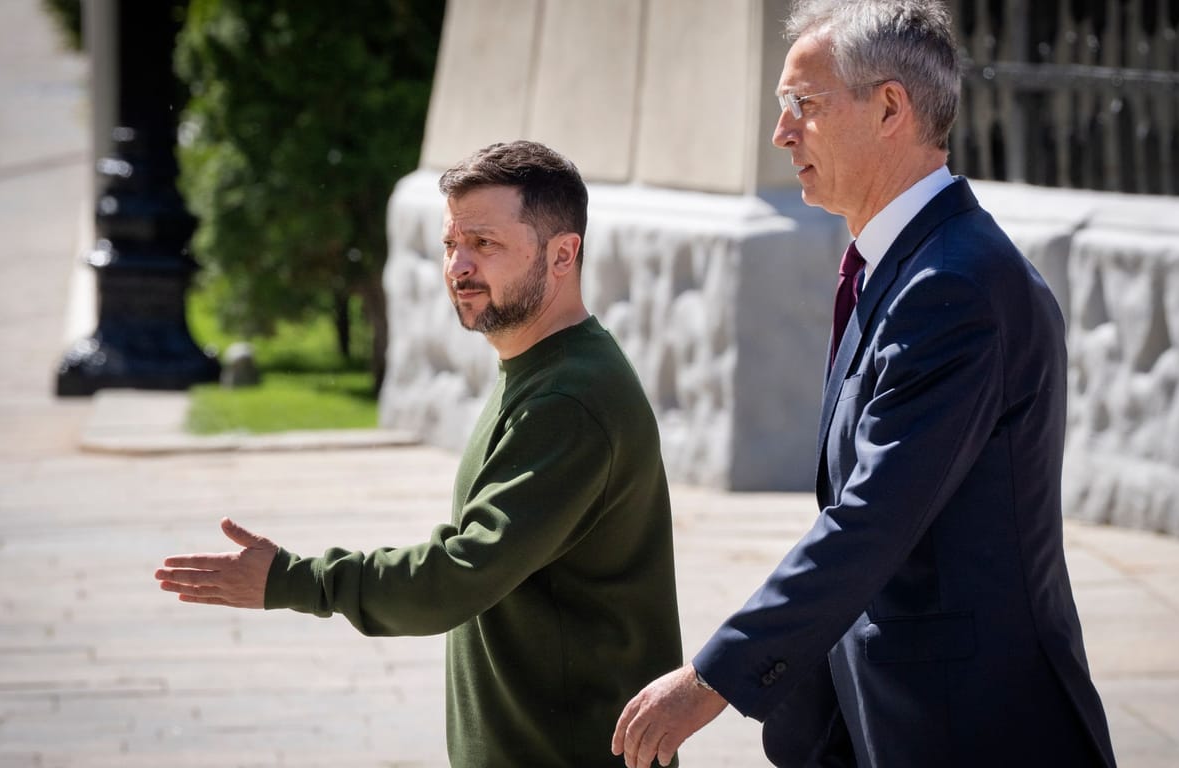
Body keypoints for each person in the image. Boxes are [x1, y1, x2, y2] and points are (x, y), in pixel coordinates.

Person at [612, 2, 1117, 767]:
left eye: (803, 107)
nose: (782, 133)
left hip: (975, 728)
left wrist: (710, 680)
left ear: (890, 108)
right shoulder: (909, 268)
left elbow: (871, 521)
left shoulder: (955, 287)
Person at [155, 140, 683, 767]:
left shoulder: (568, 401)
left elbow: (458, 574)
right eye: (450, 244)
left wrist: (294, 580)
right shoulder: (544, 372)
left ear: (563, 253)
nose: (459, 266)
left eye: (485, 244)